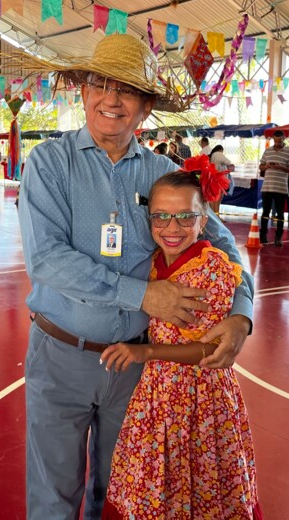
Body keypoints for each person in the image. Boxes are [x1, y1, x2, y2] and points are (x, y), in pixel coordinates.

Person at [17, 33, 253, 519]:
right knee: (53, 495)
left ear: (145, 107)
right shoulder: (49, 163)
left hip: (138, 368)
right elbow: (46, 259)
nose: (111, 99)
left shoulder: (164, 173)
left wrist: (241, 313)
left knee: (126, 493)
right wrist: (144, 295)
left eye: (126, 90)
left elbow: (225, 244)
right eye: (100, 84)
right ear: (83, 91)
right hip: (61, 355)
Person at [100, 168, 262, 519]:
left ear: (204, 221)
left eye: (185, 217)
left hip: (199, 394)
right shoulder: (157, 262)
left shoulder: (212, 269)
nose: (172, 228)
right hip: (159, 393)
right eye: (161, 217)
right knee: (159, 476)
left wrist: (146, 352)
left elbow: (210, 349)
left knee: (199, 477)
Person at [259, 130, 289, 246]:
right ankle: (263, 235)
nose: (277, 143)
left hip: (281, 188)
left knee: (280, 213)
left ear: (284, 139)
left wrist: (281, 167)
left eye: (279, 141)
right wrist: (266, 166)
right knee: (265, 211)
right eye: (275, 141)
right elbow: (261, 166)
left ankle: (279, 236)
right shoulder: (268, 151)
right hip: (267, 187)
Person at [208, 144, 235, 215]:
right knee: (217, 198)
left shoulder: (213, 155)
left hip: (213, 178)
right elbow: (228, 162)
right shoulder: (219, 154)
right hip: (219, 179)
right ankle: (217, 216)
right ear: (221, 150)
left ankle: (214, 215)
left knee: (214, 199)